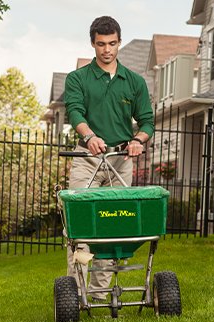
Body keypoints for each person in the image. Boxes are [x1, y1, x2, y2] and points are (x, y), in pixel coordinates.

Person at [64, 16, 154, 301]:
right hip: (87, 158)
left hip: (119, 159)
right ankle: (75, 295)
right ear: (93, 44)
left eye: (112, 44)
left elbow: (147, 121)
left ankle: (101, 294)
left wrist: (139, 140)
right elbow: (75, 112)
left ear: (119, 42)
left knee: (111, 225)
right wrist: (89, 136)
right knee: (80, 227)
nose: (107, 50)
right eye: (101, 44)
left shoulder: (134, 81)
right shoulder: (78, 78)